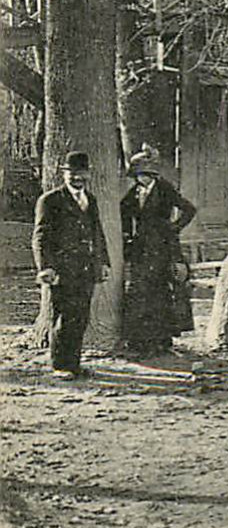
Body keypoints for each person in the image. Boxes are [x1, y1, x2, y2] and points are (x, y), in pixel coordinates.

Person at [33, 151, 111, 378]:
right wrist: (45, 267)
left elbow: (98, 232)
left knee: (81, 317)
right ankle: (60, 366)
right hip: (62, 270)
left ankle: (74, 364)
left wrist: (103, 262)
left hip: (87, 269)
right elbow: (40, 237)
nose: (78, 178)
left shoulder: (91, 200)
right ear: (64, 175)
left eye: (82, 173)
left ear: (88, 174)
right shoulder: (50, 200)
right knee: (63, 317)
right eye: (72, 174)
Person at [119, 148, 197, 356]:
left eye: (143, 175)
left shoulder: (164, 189)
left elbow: (189, 209)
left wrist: (173, 227)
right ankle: (140, 340)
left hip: (164, 246)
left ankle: (163, 340)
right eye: (137, 176)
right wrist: (127, 236)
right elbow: (123, 212)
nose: (140, 179)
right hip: (141, 247)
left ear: (152, 174)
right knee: (140, 291)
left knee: (162, 292)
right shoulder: (134, 192)